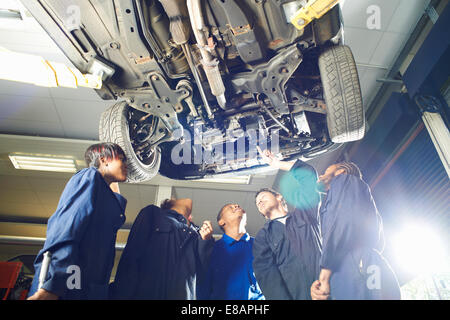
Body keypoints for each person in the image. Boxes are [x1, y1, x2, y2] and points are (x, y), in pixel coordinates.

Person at [27, 142, 128, 300]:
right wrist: (52, 285)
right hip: (65, 286)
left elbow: (115, 212)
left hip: (87, 288)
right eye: (122, 159)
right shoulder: (88, 176)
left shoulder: (103, 192)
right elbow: (67, 227)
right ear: (103, 159)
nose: (126, 165)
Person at [311, 162, 401, 300]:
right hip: (345, 266)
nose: (321, 175)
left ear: (341, 172)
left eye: (326, 170)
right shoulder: (329, 203)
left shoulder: (345, 180)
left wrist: (325, 272)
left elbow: (342, 221)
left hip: (355, 261)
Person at [109, 198, 214, 299]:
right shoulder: (153, 214)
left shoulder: (199, 235)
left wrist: (205, 241)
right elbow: (132, 255)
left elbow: (203, 275)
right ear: (169, 204)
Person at [252, 147, 322, 300]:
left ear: (279, 197)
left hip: (330, 290)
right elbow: (268, 278)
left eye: (263, 196)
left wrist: (277, 163)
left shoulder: (304, 214)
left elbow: (309, 177)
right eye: (258, 203)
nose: (260, 201)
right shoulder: (263, 237)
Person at [198, 203, 264, 300]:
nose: (237, 206)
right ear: (221, 222)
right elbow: (204, 287)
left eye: (238, 206)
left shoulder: (261, 246)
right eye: (231, 207)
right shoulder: (212, 250)